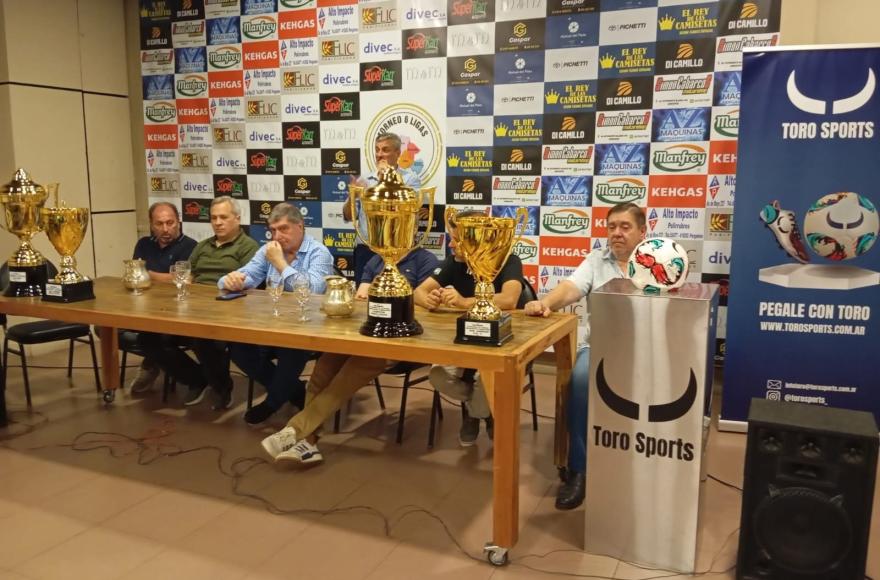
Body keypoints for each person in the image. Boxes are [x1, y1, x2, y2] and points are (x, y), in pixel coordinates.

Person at [258, 246, 439, 464]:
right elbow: (362, 297)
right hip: (366, 333)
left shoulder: (425, 259)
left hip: (399, 340)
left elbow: (422, 302)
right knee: (323, 368)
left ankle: (295, 430)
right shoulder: (376, 261)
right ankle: (309, 443)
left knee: (346, 377)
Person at [524, 202, 646, 510]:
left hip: (645, 351)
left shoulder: (658, 262)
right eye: (612, 227)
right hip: (600, 348)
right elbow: (570, 288)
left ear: (642, 232)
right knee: (579, 381)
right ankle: (579, 470)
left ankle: (647, 464)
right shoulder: (596, 260)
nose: (617, 233)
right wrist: (546, 303)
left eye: (625, 227)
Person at [413, 210, 524, 446]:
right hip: (463, 342)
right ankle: (484, 410)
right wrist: (429, 300)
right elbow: (418, 291)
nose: (450, 245)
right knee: (437, 375)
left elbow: (509, 299)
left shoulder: (507, 259)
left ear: (476, 239)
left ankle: (473, 415)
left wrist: (464, 302)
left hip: (501, 343)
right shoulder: (454, 262)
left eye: (456, 240)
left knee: (486, 376)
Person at [136, 196, 258, 410]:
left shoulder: (248, 247)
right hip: (194, 307)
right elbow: (187, 277)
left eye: (223, 217)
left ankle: (222, 388)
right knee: (149, 338)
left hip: (227, 310)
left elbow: (249, 283)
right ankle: (197, 379)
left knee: (203, 337)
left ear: (237, 219)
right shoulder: (202, 246)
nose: (218, 222)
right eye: (214, 218)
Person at [219, 203, 334, 425]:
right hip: (272, 323)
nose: (277, 236)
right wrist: (231, 281)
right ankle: (294, 391)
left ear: (300, 226)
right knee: (238, 348)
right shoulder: (268, 250)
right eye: (273, 230)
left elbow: (311, 290)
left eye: (283, 229)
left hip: (309, 325)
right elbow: (245, 276)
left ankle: (272, 403)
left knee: (292, 347)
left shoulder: (318, 252)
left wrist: (280, 263)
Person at [128, 202, 197, 393]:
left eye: (170, 223)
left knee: (151, 338)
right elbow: (134, 274)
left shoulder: (190, 246)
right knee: (105, 328)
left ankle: (196, 378)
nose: (166, 229)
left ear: (178, 222)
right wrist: (166, 277)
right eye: (159, 224)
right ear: (151, 224)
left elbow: (185, 279)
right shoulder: (143, 244)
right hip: (143, 307)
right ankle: (153, 361)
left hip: (175, 310)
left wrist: (149, 274)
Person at [343, 132, 422, 283]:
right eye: (377, 150)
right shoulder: (364, 180)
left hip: (396, 251)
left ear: (398, 153)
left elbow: (410, 210)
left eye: (385, 150)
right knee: (363, 293)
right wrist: (352, 196)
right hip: (366, 250)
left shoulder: (410, 179)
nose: (379, 155)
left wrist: (383, 179)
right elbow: (348, 216)